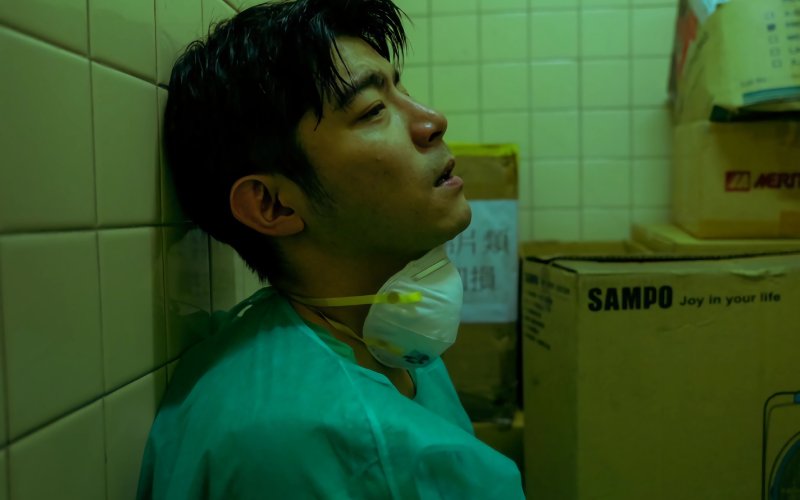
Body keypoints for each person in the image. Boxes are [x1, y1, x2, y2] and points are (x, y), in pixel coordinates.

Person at [137, 0, 526, 498]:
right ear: (272, 204)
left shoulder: (380, 337)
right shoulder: (296, 444)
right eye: (373, 110)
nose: (433, 120)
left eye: (402, 90)